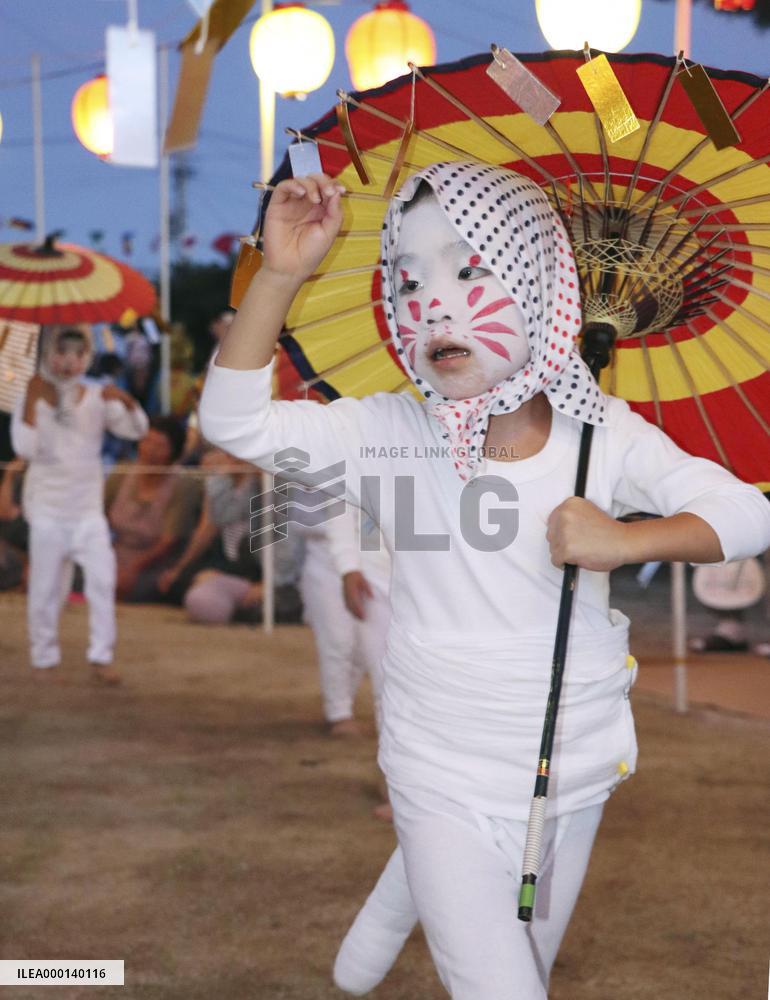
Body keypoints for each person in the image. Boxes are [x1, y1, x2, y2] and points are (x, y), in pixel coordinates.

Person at [198, 164, 770, 999]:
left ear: (538, 282)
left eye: (471, 270)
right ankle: (423, 867)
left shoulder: (601, 433)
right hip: (438, 763)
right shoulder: (386, 427)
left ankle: (399, 902)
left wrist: (621, 538)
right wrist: (281, 272)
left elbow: (748, 515)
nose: (434, 304)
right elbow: (234, 422)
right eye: (409, 280)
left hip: (568, 771)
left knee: (523, 965)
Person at [11, 326, 148, 683]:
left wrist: (128, 401)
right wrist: (30, 402)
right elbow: (24, 449)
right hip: (46, 509)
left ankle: (101, 656)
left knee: (102, 582)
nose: (68, 361)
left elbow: (137, 431)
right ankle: (43, 657)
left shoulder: (97, 393)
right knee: (45, 587)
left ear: (86, 355)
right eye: (61, 351)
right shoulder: (33, 390)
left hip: (87, 510)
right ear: (48, 354)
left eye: (76, 352)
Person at [298, 503, 391, 738]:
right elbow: (337, 508)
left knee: (370, 651)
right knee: (338, 640)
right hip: (326, 556)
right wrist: (349, 567)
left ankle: (354, 709)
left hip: (375, 560)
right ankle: (339, 713)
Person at [106, 417, 200, 603]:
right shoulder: (121, 472)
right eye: (146, 441)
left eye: (159, 445)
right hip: (113, 554)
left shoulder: (184, 485)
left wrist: (133, 568)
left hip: (156, 564)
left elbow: (168, 542)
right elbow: (97, 517)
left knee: (135, 587)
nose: (149, 450)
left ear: (173, 452)